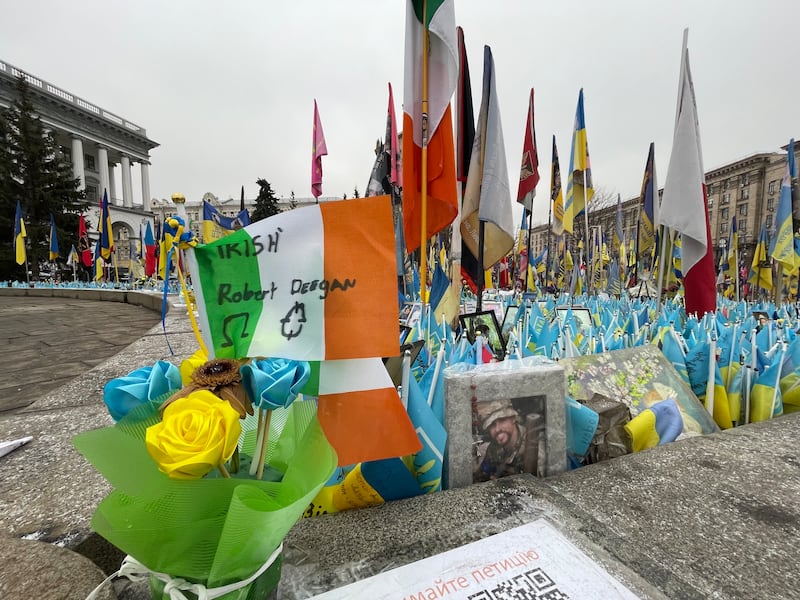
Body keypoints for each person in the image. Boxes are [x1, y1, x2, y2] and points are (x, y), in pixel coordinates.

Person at [473, 399, 541, 482]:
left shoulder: (536, 448)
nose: (497, 429)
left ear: (513, 418)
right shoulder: (493, 448)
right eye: (492, 425)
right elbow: (480, 476)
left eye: (502, 420)